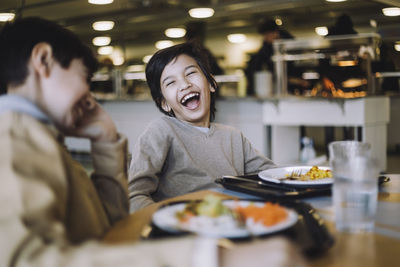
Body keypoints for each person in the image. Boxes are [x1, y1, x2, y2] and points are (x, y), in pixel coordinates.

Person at [0, 17, 308, 267]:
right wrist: (213, 257)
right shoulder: (12, 141)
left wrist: (106, 144)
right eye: (85, 77)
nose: (89, 95)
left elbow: (109, 232)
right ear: (43, 61)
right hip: (192, 241)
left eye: (191, 74)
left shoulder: (42, 141)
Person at [128, 42, 276, 212]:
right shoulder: (161, 130)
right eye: (171, 83)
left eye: (190, 73)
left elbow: (271, 176)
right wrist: (168, 222)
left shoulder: (233, 137)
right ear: (164, 103)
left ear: (211, 84)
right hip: (186, 229)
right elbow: (135, 195)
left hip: (233, 221)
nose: (184, 85)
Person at [245, 18, 308, 96]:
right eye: (264, 35)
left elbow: (300, 64)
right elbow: (255, 66)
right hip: (278, 87)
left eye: (267, 34)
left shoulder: (290, 45)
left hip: (296, 88)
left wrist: (295, 79)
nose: (265, 38)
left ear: (275, 33)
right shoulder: (266, 49)